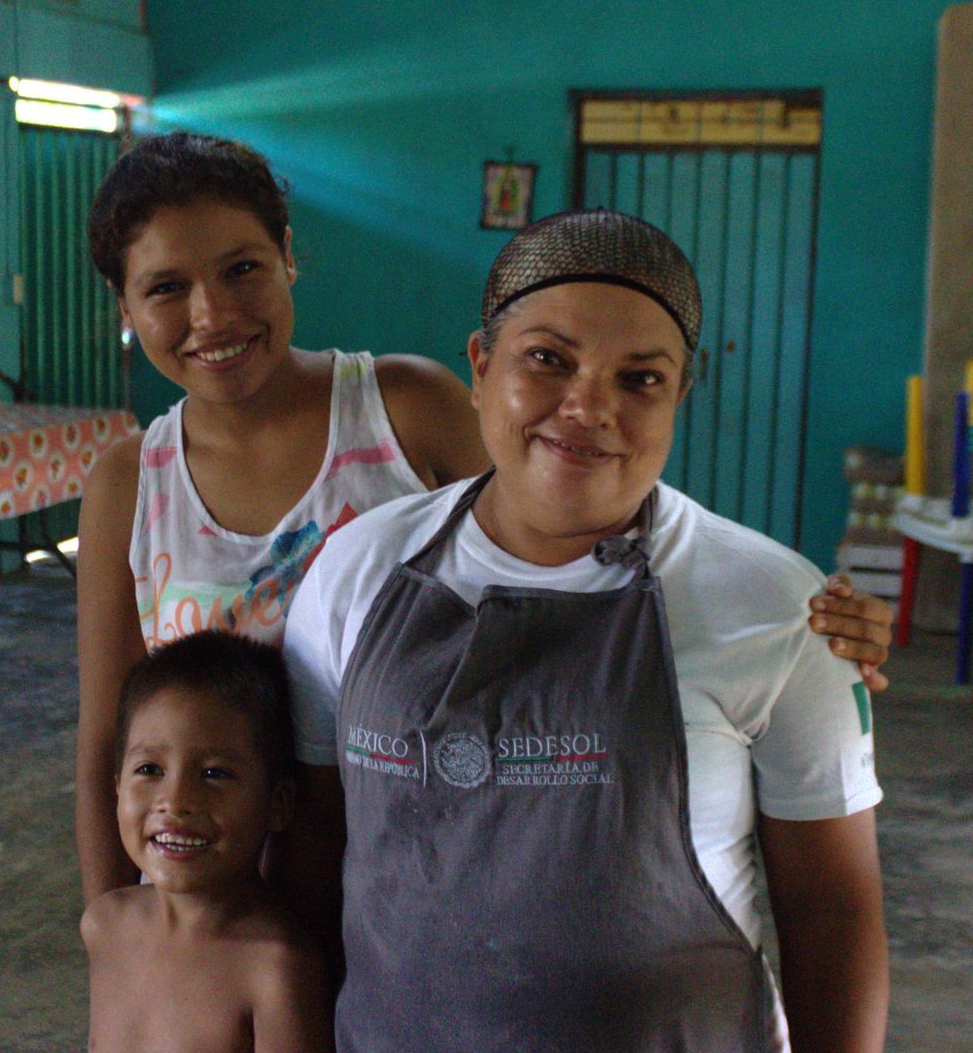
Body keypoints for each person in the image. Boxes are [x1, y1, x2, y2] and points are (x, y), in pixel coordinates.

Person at [74, 132, 895, 907]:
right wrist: (119, 933)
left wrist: (789, 615)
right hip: (210, 898)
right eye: (166, 287)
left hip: (427, 867)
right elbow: (106, 738)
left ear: (289, 256)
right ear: (124, 301)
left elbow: (573, 528)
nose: (213, 314)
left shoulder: (400, 410)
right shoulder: (131, 482)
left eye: (243, 268)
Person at [276, 210, 888, 1053]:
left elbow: (834, 913)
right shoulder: (356, 572)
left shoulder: (774, 607)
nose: (587, 406)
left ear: (681, 394)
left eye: (639, 378)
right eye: (547, 360)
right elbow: (317, 847)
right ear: (481, 366)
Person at [82, 630, 335, 1053]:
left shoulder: (275, 968)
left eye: (215, 773)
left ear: (277, 804)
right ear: (116, 788)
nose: (175, 802)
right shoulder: (105, 927)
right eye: (149, 769)